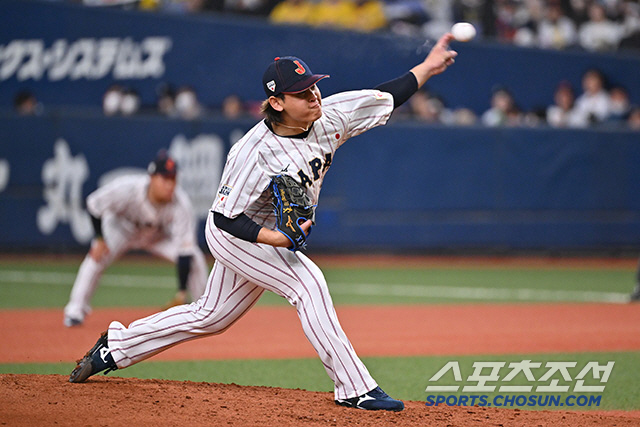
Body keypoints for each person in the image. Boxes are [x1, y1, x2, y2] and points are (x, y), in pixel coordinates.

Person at [68, 33, 458, 411]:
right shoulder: (252, 152)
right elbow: (224, 218)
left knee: (211, 316)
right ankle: (354, 387)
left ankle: (117, 346)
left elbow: (389, 94)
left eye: (314, 86)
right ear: (276, 101)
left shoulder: (329, 115)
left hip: (262, 228)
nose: (314, 96)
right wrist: (276, 238)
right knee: (308, 283)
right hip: (234, 232)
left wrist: (427, 65)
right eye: (302, 93)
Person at [63, 150, 208, 327]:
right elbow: (94, 204)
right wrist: (100, 239)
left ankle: (203, 311)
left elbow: (185, 251)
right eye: (165, 179)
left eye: (173, 179)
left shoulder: (181, 203)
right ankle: (75, 311)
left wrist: (181, 291)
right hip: (121, 230)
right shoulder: (127, 189)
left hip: (156, 236)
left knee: (195, 257)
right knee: (96, 257)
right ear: (152, 178)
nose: (170, 185)